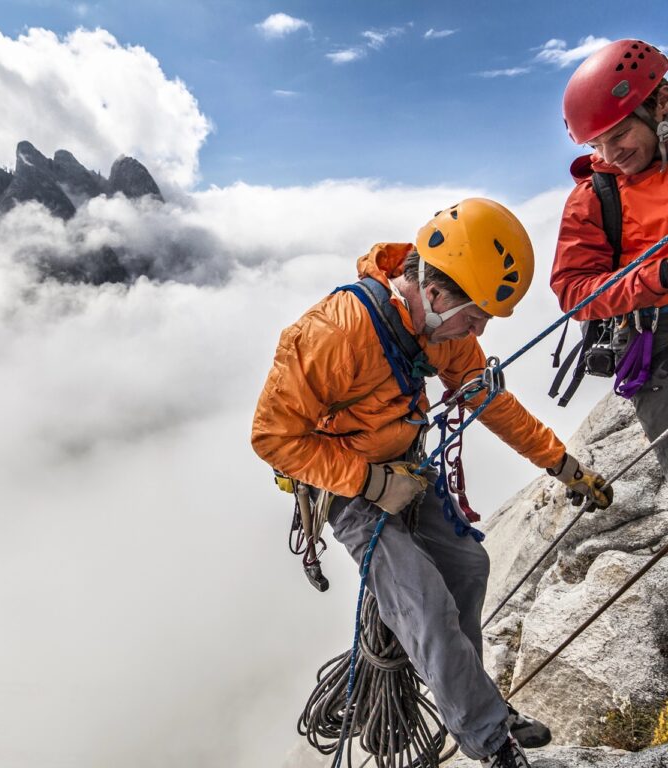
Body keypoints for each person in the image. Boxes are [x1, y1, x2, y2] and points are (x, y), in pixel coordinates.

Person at [251, 198, 613, 768]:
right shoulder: (333, 334)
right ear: (438, 294)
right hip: (346, 487)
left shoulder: (444, 328)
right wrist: (371, 484)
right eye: (477, 317)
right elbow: (273, 437)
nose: (480, 331)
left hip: (407, 470)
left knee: (470, 568)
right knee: (424, 602)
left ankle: (474, 698)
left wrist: (563, 464)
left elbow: (488, 401)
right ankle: (492, 740)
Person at [551, 39, 668, 475]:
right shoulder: (594, 198)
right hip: (657, 346)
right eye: (598, 144)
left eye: (619, 135)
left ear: (660, 105)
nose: (609, 154)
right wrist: (657, 277)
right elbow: (573, 293)